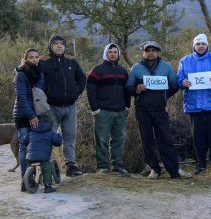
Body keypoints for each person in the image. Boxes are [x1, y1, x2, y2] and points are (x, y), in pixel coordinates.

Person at [126, 40, 185, 179]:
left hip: (160, 109)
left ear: (158, 52)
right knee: (146, 140)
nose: (150, 53)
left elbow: (174, 85)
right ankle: (154, 169)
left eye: (153, 50)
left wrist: (164, 97)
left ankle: (173, 170)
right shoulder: (136, 68)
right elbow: (128, 87)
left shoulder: (166, 67)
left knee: (165, 138)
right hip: (142, 109)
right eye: (148, 50)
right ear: (143, 52)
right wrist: (137, 89)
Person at [177, 34, 211, 175]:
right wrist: (183, 82)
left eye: (203, 44)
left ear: (207, 45)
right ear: (194, 46)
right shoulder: (184, 61)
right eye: (198, 44)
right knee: (197, 135)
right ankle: (200, 164)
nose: (200, 46)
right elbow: (179, 78)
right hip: (194, 104)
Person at [40, 35, 86, 177]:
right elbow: (36, 80)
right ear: (51, 46)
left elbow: (82, 77)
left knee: (70, 137)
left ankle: (70, 166)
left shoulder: (71, 61)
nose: (59, 46)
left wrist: (76, 92)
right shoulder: (43, 61)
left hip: (70, 107)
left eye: (62, 44)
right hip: (51, 107)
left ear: (65, 46)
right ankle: (48, 167)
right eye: (56, 43)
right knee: (49, 137)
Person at [87, 43, 131, 175]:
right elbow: (90, 89)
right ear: (106, 53)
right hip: (103, 111)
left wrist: (127, 106)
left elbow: (127, 90)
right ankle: (102, 166)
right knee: (101, 139)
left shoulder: (123, 71)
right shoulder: (98, 70)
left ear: (118, 54)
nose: (113, 54)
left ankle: (117, 165)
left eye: (115, 52)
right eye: (110, 52)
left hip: (120, 111)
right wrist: (95, 109)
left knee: (119, 139)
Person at [12, 48, 45, 191]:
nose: (35, 59)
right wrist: (31, 116)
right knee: (24, 145)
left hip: (37, 115)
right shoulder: (21, 74)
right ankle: (24, 181)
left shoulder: (40, 73)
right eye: (31, 57)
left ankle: (35, 177)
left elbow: (41, 95)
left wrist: (38, 114)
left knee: (36, 146)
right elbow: (22, 97)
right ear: (26, 58)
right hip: (23, 115)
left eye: (37, 57)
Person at [22, 115, 62, 193]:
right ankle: (47, 187)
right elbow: (58, 142)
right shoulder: (50, 132)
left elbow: (24, 141)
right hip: (43, 158)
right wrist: (58, 135)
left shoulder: (31, 131)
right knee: (46, 168)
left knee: (28, 166)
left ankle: (24, 184)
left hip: (30, 157)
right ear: (50, 123)